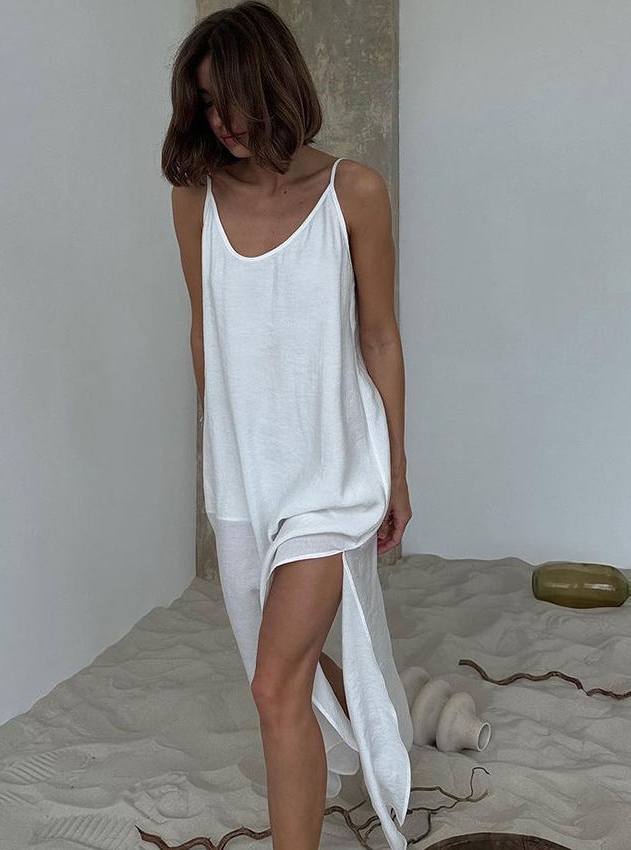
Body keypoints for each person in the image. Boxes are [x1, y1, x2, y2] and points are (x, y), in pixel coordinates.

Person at [162, 3, 414, 849]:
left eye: (233, 96)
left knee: (273, 688)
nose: (221, 120)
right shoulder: (194, 201)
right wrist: (221, 452)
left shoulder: (354, 192)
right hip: (244, 481)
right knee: (286, 674)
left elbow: (380, 337)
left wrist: (397, 473)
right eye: (206, 102)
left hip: (334, 475)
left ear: (275, 84)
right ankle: (390, 714)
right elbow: (205, 333)